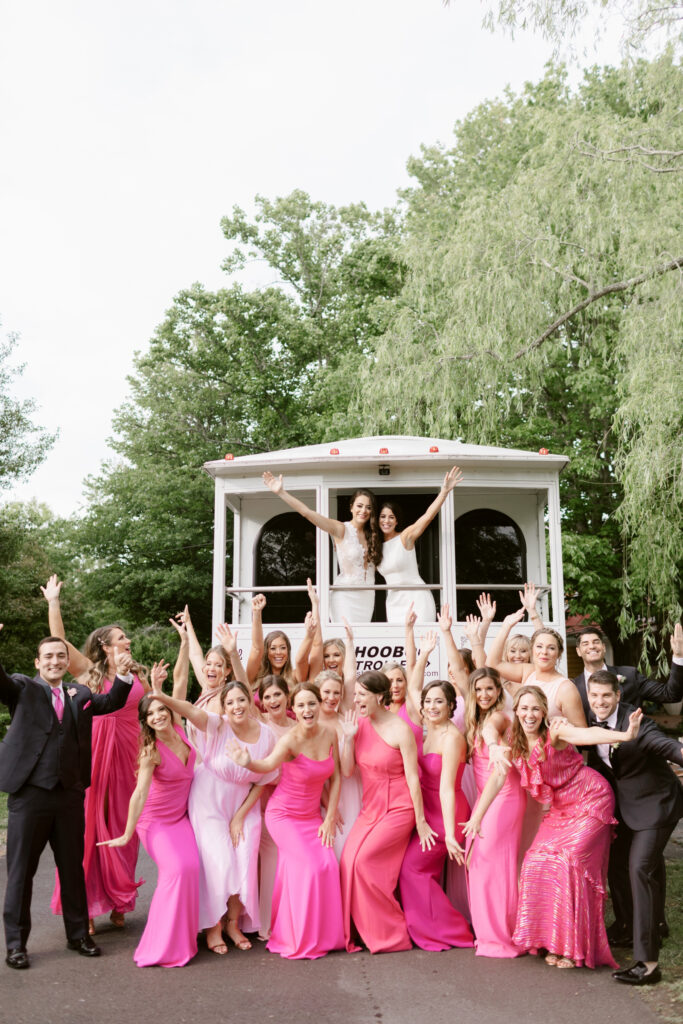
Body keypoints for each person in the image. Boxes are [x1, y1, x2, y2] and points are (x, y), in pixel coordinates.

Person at [464, 685, 642, 969]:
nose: (529, 714)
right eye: (524, 708)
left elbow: (585, 735)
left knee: (567, 861)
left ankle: (573, 949)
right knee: (534, 861)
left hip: (590, 799)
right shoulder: (514, 741)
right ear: (516, 711)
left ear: (544, 712)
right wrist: (477, 817)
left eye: (535, 708)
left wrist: (624, 735)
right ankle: (553, 941)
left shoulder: (555, 733)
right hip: (560, 808)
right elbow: (497, 780)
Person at [0, 627, 135, 969]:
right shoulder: (23, 687)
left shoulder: (80, 692)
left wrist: (121, 674)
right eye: (48, 657)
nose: (56, 661)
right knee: (20, 873)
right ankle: (16, 945)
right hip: (30, 797)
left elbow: (112, 702)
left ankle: (78, 935)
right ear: (38, 662)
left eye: (61, 655)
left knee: (73, 870)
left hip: (69, 797)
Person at [41, 575, 148, 934]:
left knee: (124, 831)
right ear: (105, 646)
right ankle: (84, 907)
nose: (128, 640)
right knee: (86, 833)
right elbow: (60, 642)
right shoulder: (89, 672)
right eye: (121, 637)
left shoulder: (137, 675)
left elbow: (150, 715)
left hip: (129, 761)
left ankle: (120, 900)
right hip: (95, 758)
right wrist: (53, 602)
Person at [147, 677, 276, 954]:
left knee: (243, 861)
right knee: (220, 862)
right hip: (210, 800)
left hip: (244, 803)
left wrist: (240, 815)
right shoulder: (218, 725)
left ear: (249, 702)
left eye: (241, 699)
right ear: (224, 708)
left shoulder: (267, 735)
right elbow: (188, 710)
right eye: (230, 702)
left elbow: (264, 779)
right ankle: (213, 926)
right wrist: (161, 697)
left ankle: (232, 923)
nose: (237, 706)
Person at [227, 682, 345, 959]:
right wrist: (247, 762)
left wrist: (329, 817)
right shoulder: (289, 741)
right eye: (301, 705)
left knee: (328, 864)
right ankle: (297, 936)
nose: (307, 709)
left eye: (312, 703)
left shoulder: (330, 734)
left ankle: (324, 935)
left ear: (319, 705)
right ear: (294, 709)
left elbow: (336, 776)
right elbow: (267, 766)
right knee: (311, 867)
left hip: (312, 816)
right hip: (284, 816)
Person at [585, 666, 683, 986]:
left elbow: (666, 746)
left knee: (639, 869)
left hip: (657, 805)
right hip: (625, 808)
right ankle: (646, 926)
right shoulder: (588, 722)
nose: (600, 702)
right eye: (594, 696)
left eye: (606, 696)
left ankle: (648, 965)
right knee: (622, 866)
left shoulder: (637, 721)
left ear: (618, 695)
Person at [99, 681, 200, 968]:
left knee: (192, 869)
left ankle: (185, 939)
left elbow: (181, 685)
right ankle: (159, 946)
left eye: (160, 710)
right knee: (176, 871)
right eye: (150, 715)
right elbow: (140, 793)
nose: (158, 716)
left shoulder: (180, 730)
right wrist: (127, 833)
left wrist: (181, 648)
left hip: (180, 818)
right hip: (155, 822)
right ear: (145, 722)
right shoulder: (150, 752)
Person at [340, 671, 436, 953]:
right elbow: (347, 771)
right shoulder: (358, 724)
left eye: (361, 694)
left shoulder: (400, 729)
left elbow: (413, 779)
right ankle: (358, 931)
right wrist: (347, 740)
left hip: (399, 807)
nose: (356, 699)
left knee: (365, 863)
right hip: (371, 807)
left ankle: (391, 935)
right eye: (355, 694)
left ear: (379, 696)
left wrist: (420, 820)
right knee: (347, 862)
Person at [398, 680, 473, 951]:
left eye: (439, 701)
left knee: (412, 869)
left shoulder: (452, 738)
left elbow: (447, 789)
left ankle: (450, 931)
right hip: (426, 809)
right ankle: (427, 927)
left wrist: (451, 834)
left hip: (445, 813)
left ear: (452, 705)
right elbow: (411, 684)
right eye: (428, 701)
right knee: (416, 871)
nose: (432, 706)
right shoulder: (428, 731)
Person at [462, 667, 525, 957]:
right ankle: (489, 934)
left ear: (499, 692)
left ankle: (503, 936)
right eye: (478, 689)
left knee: (493, 865)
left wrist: (477, 816)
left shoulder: (499, 718)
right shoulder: (477, 719)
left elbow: (499, 774)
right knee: (483, 863)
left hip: (503, 797)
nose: (484, 694)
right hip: (489, 800)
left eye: (490, 688)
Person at [262, 472, 381, 623]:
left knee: (360, 642)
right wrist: (281, 492)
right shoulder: (341, 529)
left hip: (367, 597)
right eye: (359, 506)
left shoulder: (374, 535)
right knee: (345, 639)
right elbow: (307, 513)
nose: (363, 511)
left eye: (368, 507)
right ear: (351, 507)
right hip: (345, 596)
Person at [377, 466, 463, 622]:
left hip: (417, 599)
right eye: (383, 516)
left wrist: (444, 492)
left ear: (397, 521)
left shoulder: (405, 537)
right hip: (393, 602)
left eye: (391, 517)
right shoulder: (376, 546)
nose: (386, 521)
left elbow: (428, 516)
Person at [487, 612, 586, 726]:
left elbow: (580, 730)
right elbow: (492, 663)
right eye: (539, 646)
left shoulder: (565, 688)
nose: (544, 652)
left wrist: (563, 725)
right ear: (532, 650)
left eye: (551, 648)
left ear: (559, 654)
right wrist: (505, 627)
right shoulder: (528, 672)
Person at [572, 623, 683, 720]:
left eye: (596, 642)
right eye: (585, 644)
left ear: (603, 647)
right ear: (578, 651)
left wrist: (678, 656)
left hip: (631, 742)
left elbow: (671, 695)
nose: (592, 646)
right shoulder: (573, 687)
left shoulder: (630, 675)